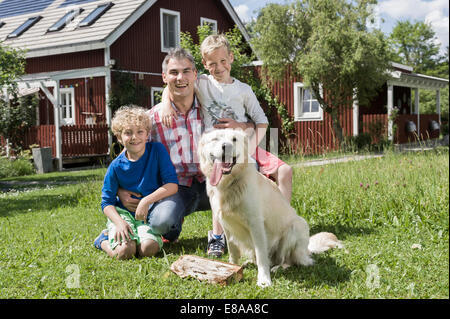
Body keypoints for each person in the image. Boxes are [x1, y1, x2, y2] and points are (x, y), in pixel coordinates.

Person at [160, 34, 293, 251]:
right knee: (219, 179)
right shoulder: (202, 83)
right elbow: (173, 84)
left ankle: (283, 225)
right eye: (212, 64)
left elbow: (262, 122)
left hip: (244, 144)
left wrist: (246, 141)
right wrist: (165, 104)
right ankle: (218, 237)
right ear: (204, 65)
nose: (219, 67)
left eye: (223, 61)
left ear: (231, 58)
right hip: (218, 147)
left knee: (285, 171)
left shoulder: (243, 90)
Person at [94, 105, 178, 260]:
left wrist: (146, 201)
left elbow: (172, 185)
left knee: (148, 249)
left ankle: (140, 239)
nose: (135, 137)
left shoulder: (157, 151)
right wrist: (119, 223)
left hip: (148, 213)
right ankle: (103, 241)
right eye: (128, 133)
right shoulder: (115, 167)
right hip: (124, 214)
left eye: (140, 131)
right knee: (125, 251)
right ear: (119, 137)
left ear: (147, 134)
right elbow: (106, 202)